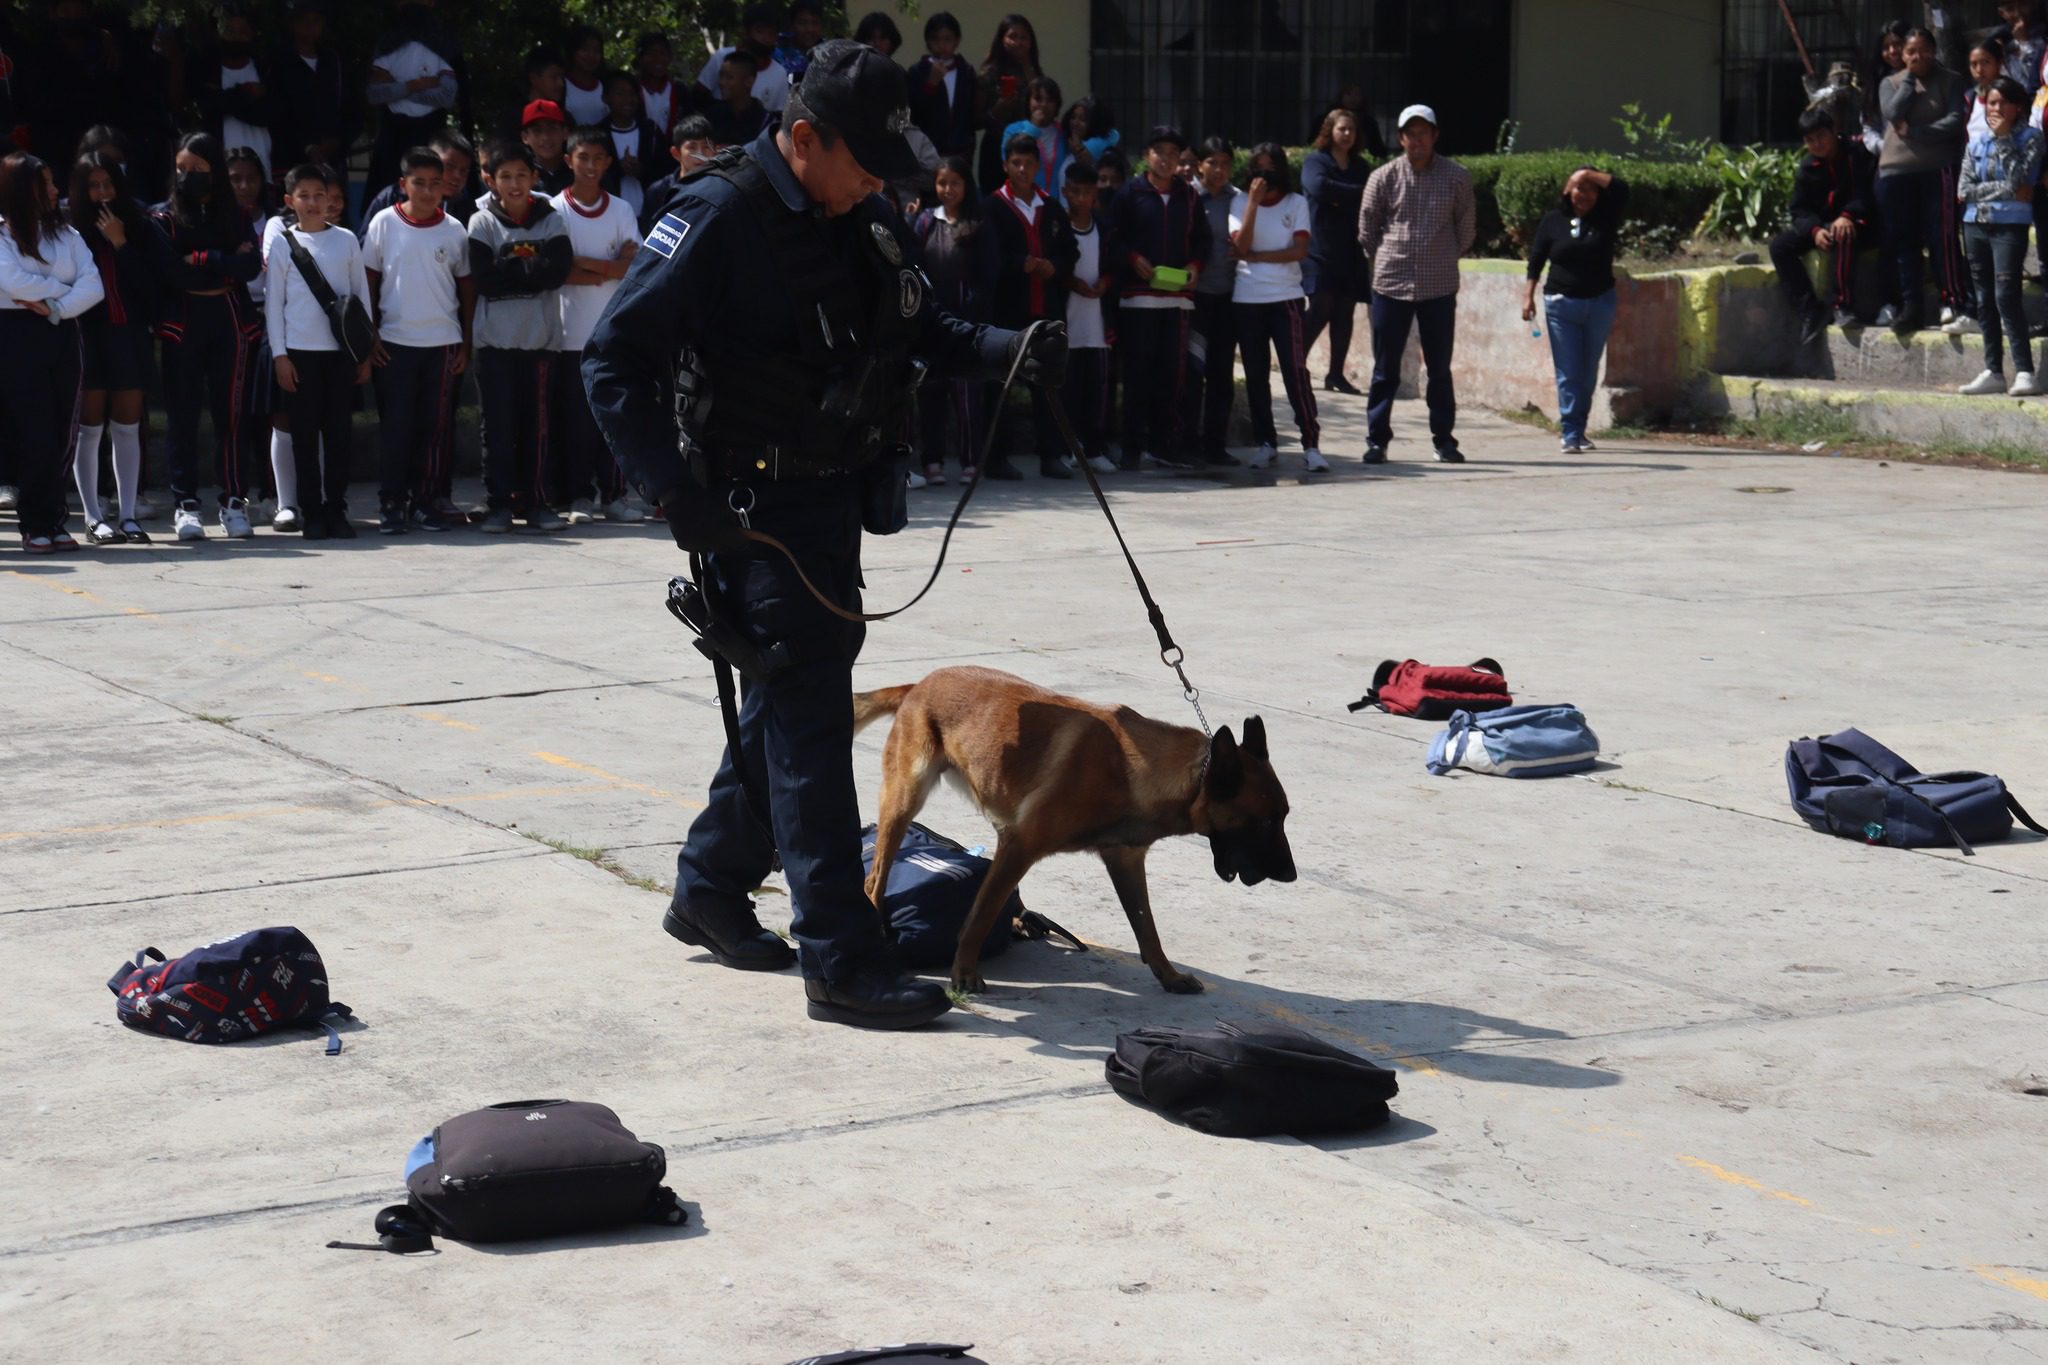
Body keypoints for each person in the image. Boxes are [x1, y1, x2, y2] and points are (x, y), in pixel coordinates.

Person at [581, 40, 1066, 1030]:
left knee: (783, 706)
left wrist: (1008, 350)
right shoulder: (713, 218)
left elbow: (921, 328)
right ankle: (840, 959)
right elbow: (611, 365)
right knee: (807, 722)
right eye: (860, 167)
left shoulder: (858, 210)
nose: (874, 189)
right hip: (747, 512)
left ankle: (710, 886)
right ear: (802, 139)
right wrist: (676, 496)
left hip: (831, 499)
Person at [153, 131, 263, 541]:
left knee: (231, 415)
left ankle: (234, 502)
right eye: (181, 169)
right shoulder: (162, 218)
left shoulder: (237, 215)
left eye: (197, 169)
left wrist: (204, 257)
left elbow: (250, 269)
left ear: (214, 171)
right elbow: (172, 273)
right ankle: (185, 505)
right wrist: (227, 261)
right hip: (183, 321)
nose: (188, 176)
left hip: (229, 319)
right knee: (182, 416)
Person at [1356, 103, 1474, 464]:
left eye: (1424, 132)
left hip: (1439, 286)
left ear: (1435, 136)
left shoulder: (1456, 177)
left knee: (1439, 368)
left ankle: (1444, 440)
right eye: (1411, 133)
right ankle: (1377, 440)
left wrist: (1440, 253)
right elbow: (1367, 229)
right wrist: (1393, 254)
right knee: (1385, 368)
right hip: (1392, 284)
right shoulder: (1384, 177)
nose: (1417, 140)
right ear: (1400, 138)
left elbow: (1466, 229)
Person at [363, 148, 473, 533]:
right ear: (403, 185)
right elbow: (368, 283)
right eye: (419, 183)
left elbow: (466, 290)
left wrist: (466, 342)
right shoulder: (383, 223)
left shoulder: (454, 230)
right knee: (396, 426)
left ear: (445, 186)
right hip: (393, 344)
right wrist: (371, 335)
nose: (427, 192)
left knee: (435, 427)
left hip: (443, 344)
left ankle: (427, 501)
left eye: (435, 184)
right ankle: (391, 501)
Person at [0, 151, 102, 554]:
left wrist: (57, 306)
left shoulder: (68, 236)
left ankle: (55, 518)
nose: (55, 190)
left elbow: (93, 286)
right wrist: (61, 291)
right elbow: (12, 282)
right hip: (15, 337)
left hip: (61, 332)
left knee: (62, 430)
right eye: (46, 183)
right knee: (33, 431)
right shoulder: (4, 233)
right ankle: (35, 522)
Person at [468, 141, 571, 534]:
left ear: (534, 178)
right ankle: (499, 505)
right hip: (494, 344)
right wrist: (530, 269)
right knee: (497, 429)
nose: (514, 183)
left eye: (521, 175)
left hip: (541, 343)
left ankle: (538, 502)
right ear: (492, 181)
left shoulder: (552, 219)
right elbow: (484, 280)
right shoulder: (481, 222)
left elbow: (557, 271)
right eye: (505, 176)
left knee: (537, 428)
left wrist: (508, 266)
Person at [68, 151, 170, 544]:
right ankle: (94, 517)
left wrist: (121, 242)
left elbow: (152, 289)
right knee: (89, 429)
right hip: (87, 337)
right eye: (93, 186)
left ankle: (128, 516)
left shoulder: (140, 227)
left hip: (129, 336)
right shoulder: (70, 231)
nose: (101, 193)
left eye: (107, 184)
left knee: (127, 427)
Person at [265, 162, 369, 539]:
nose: (312, 202)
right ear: (290, 201)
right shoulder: (282, 243)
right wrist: (280, 356)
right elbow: (274, 304)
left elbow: (361, 299)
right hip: (299, 353)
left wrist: (364, 353)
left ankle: (336, 508)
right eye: (304, 196)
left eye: (320, 195)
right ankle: (312, 511)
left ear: (332, 200)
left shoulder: (346, 240)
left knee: (339, 434)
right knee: (304, 436)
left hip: (340, 354)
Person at [549, 128, 642, 523]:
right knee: (574, 423)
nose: (590, 166)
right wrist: (608, 268)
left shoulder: (621, 210)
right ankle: (577, 496)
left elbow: (634, 265)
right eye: (582, 157)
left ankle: (614, 495)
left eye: (598, 158)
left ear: (608, 162)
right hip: (568, 333)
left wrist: (584, 263)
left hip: (612, 334)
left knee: (615, 418)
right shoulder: (554, 209)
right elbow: (555, 270)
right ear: (569, 160)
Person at [1109, 125, 1210, 471]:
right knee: (1137, 375)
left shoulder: (1190, 196)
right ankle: (1132, 448)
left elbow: (1202, 241)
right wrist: (1132, 258)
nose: (1166, 160)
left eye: (1173, 154)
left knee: (1173, 377)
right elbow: (1112, 237)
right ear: (1146, 155)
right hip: (1138, 299)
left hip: (1178, 300)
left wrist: (1196, 266)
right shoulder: (1129, 194)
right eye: (1159, 152)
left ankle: (1165, 446)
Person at [1522, 164, 1629, 455]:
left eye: (1591, 188)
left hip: (1599, 303)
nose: (1584, 194)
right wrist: (1528, 296)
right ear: (1568, 190)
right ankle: (1570, 432)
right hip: (1561, 305)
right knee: (1568, 372)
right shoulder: (1553, 221)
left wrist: (1587, 175)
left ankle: (1580, 429)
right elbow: (1536, 259)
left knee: (1588, 371)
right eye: (1579, 188)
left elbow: (1621, 189)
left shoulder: (1605, 218)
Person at [1229, 143, 1323, 473]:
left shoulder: (1296, 203)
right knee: (1255, 375)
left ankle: (1311, 444)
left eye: (1270, 171)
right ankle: (1266, 442)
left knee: (1295, 372)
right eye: (1258, 170)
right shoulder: (1239, 201)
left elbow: (1298, 250)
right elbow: (1239, 246)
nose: (1264, 177)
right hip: (1248, 299)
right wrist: (1253, 204)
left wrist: (1258, 257)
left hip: (1285, 297)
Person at [1876, 27, 1969, 331]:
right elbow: (1892, 111)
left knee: (1941, 236)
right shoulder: (1889, 83)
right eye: (1911, 52)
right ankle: (1910, 306)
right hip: (1896, 171)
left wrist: (1917, 133)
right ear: (1902, 55)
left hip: (1936, 167)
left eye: (1924, 50)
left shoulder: (1950, 80)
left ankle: (1953, 300)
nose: (1918, 57)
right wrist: (1908, 80)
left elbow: (1954, 122)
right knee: (1904, 241)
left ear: (1934, 50)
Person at [914, 155, 1000, 483]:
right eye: (942, 183)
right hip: (931, 321)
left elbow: (988, 273)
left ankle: (970, 461)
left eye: (955, 183)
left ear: (967, 185)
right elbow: (914, 264)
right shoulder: (924, 222)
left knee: (967, 398)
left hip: (966, 323)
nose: (948, 189)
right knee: (930, 395)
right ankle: (931, 462)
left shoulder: (979, 223)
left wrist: (972, 313)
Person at [1956, 75, 2044, 395]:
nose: (1996, 108)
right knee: (1983, 299)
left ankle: (2024, 370)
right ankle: (1993, 370)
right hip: (1974, 224)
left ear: (2017, 106)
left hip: (2010, 225)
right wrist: (2004, 190)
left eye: (2002, 102)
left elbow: (2022, 181)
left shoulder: (2031, 138)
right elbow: (1964, 190)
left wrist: (2005, 139)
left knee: (2005, 295)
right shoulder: (1977, 141)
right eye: (1991, 102)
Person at [1770, 108, 1877, 344]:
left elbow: (1867, 192)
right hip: (1822, 226)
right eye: (1810, 140)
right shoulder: (1808, 168)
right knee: (1779, 247)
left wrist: (1848, 215)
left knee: (1843, 232)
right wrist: (1814, 230)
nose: (1817, 143)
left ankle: (1842, 305)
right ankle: (1810, 309)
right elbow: (1799, 209)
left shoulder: (1857, 154)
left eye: (1821, 136)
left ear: (1833, 131)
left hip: (1860, 222)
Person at [365, 0, 463, 201]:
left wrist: (400, 87)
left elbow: (447, 96)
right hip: (392, 143)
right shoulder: (387, 44)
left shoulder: (444, 44)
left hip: (431, 139)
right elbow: (374, 93)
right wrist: (415, 85)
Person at [1301, 108, 1370, 393]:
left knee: (1345, 311)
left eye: (1351, 130)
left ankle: (1335, 374)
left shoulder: (1361, 166)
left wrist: (1341, 195)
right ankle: (1295, 363)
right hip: (1320, 248)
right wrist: (1354, 192)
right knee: (1320, 308)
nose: (1346, 135)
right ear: (1329, 130)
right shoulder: (1315, 161)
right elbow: (1319, 188)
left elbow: (1370, 192)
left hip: (1352, 249)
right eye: (1341, 129)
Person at [271, 0, 358, 207]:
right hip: (291, 158)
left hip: (332, 158)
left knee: (333, 213)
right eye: (304, 20)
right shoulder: (279, 62)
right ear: (292, 23)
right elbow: (277, 113)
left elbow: (352, 109)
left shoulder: (334, 62)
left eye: (316, 20)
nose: (310, 26)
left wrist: (338, 141)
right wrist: (308, 146)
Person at [1061, 158, 1118, 474]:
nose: (1082, 199)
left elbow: (1114, 266)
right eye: (1076, 192)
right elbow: (1055, 268)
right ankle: (1069, 448)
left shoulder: (1104, 228)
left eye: (1088, 193)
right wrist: (1074, 283)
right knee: (1067, 387)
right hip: (1068, 320)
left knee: (1097, 388)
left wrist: (1104, 283)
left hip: (1097, 324)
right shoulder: (1057, 226)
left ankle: (1095, 448)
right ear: (1066, 192)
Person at [1189, 135, 1240, 466]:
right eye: (1212, 163)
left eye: (1225, 163)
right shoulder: (1189, 197)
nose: (1219, 170)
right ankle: (1187, 443)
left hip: (1230, 298)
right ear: (1199, 166)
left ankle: (1216, 445)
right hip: (1194, 299)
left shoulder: (1240, 200)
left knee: (1222, 374)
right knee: (1193, 372)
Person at [194, 6, 275, 182]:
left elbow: (271, 112)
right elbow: (207, 106)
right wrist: (247, 92)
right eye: (230, 31)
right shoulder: (207, 68)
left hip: (264, 166)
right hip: (219, 167)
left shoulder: (265, 68)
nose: (236, 37)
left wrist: (227, 100)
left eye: (243, 32)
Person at [975, 14, 1040, 194]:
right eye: (1013, 37)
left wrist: (1028, 68)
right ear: (1002, 39)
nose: (1019, 42)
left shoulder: (1033, 71)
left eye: (1024, 37)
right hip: (995, 150)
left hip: (1028, 147)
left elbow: (1043, 105)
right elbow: (975, 120)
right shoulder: (988, 74)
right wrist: (998, 110)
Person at [363, 127, 478, 226]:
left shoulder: (469, 211)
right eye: (450, 166)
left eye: (464, 171)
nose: (457, 176)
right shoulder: (389, 199)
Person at [696, 4, 790, 117]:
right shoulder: (722, 57)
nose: (766, 38)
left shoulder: (779, 73)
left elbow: (778, 115)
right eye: (760, 31)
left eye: (771, 34)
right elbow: (698, 97)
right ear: (746, 32)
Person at [908, 12, 977, 161]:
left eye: (947, 39)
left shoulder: (966, 71)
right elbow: (914, 112)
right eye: (936, 40)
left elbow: (971, 113)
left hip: (961, 151)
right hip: (928, 150)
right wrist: (931, 83)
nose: (941, 45)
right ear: (928, 41)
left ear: (957, 41)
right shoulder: (918, 71)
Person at [640, 115, 717, 235]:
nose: (700, 154)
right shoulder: (658, 191)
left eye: (706, 147)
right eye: (692, 148)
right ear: (676, 153)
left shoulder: (723, 189)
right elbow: (647, 236)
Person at [601, 71, 664, 217]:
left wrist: (641, 170)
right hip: (610, 214)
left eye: (632, 94)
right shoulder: (599, 134)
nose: (627, 99)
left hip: (650, 214)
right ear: (605, 98)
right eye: (620, 94)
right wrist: (618, 169)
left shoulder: (651, 130)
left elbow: (664, 169)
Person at [1001, 77, 1066, 197]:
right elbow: (1010, 163)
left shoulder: (1063, 132)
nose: (1043, 105)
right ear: (1028, 101)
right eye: (1038, 99)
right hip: (1024, 201)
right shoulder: (1013, 130)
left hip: (1056, 204)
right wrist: (1034, 127)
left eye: (1050, 100)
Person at [1863, 20, 1911, 155]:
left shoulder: (1924, 77)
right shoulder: (1878, 82)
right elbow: (1870, 127)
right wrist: (1884, 147)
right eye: (1886, 47)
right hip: (1890, 160)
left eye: (1897, 44)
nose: (1892, 51)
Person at [708, 50, 773, 149]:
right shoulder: (712, 115)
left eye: (729, 77)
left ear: (749, 81)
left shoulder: (764, 121)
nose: (722, 82)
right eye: (721, 76)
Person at [637, 32, 688, 139]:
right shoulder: (632, 90)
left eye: (662, 53)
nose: (657, 59)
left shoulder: (680, 91)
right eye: (651, 53)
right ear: (641, 58)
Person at [521, 99, 574, 197]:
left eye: (552, 128)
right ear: (525, 137)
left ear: (565, 133)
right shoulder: (521, 176)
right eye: (537, 130)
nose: (545, 137)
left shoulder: (580, 172)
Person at [560, 25, 609, 128]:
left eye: (596, 50)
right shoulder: (560, 85)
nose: (591, 55)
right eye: (584, 49)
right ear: (572, 52)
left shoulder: (606, 85)